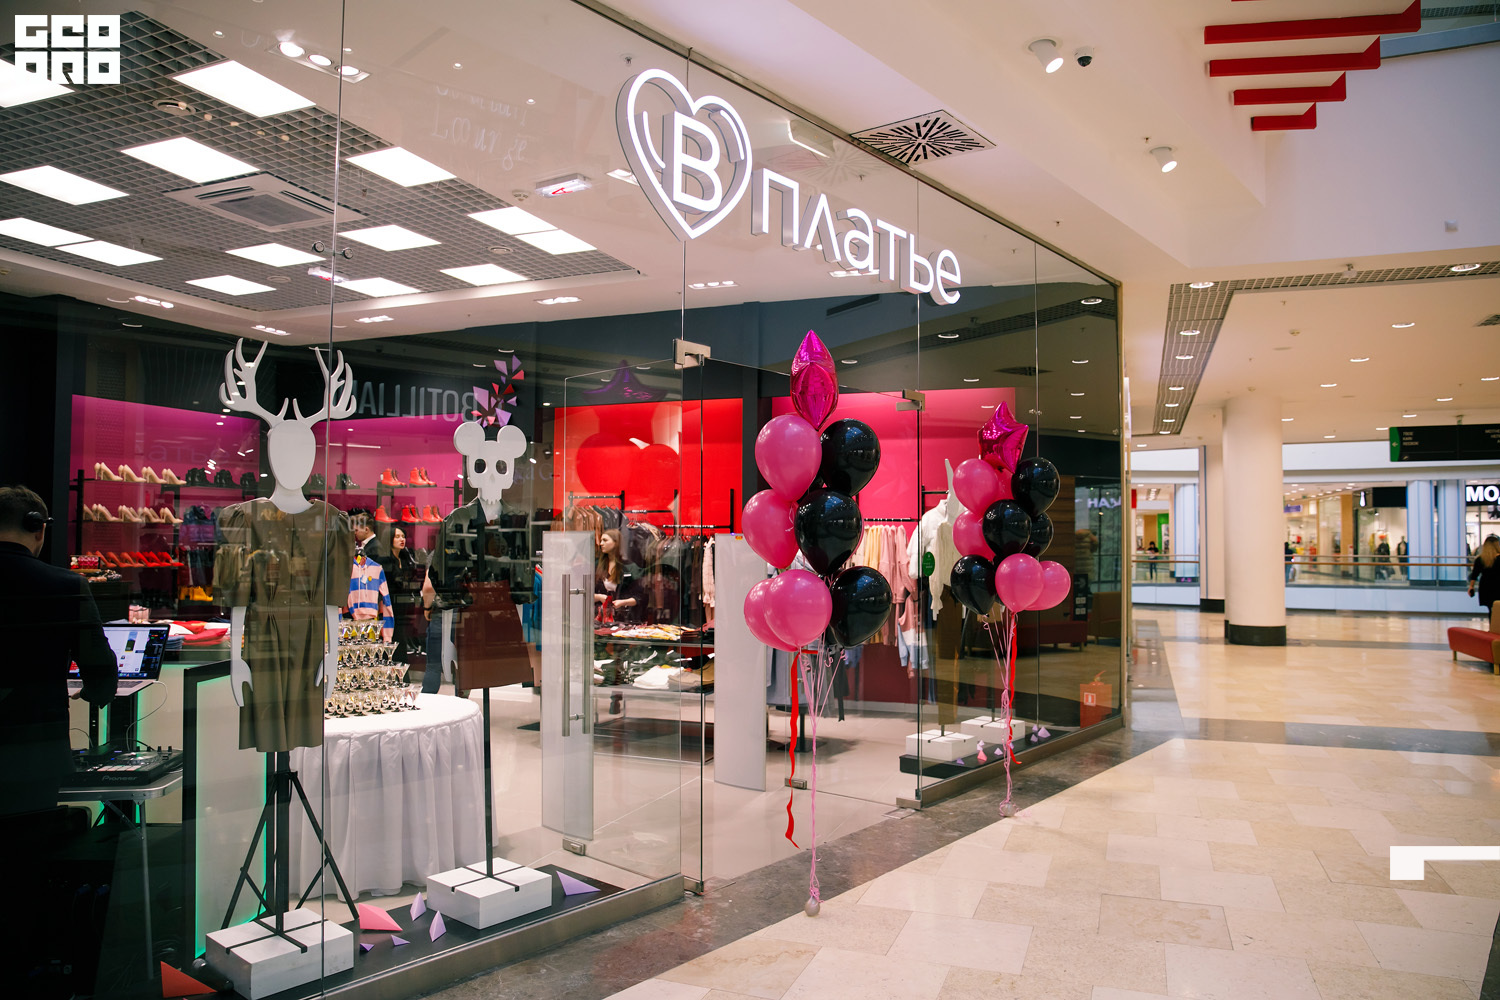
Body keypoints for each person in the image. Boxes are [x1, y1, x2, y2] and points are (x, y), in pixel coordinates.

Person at [0, 486, 116, 816]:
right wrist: (95, 692)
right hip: (32, 753)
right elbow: (99, 666)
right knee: (25, 839)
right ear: (38, 527)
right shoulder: (66, 586)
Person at [595, 528, 644, 624]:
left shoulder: (629, 567)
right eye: (601, 540)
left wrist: (623, 602)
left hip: (623, 620)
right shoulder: (596, 566)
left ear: (616, 543)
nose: (601, 544)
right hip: (598, 620)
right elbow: (585, 593)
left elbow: (639, 597)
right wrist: (599, 597)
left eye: (605, 540)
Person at [1469, 535, 1500, 634]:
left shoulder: (1480, 559)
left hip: (1486, 587)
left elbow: (1474, 575)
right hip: (1498, 586)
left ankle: (1493, 629)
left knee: (1491, 609)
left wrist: (1471, 587)